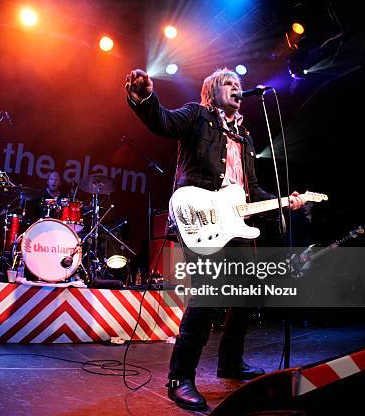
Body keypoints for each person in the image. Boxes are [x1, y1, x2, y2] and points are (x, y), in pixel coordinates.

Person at [125, 67, 304, 411]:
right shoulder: (197, 115)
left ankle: (230, 362)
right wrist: (144, 99)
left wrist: (286, 199)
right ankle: (180, 378)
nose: (237, 88)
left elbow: (252, 190)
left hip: (234, 223)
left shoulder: (246, 138)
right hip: (201, 218)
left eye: (239, 84)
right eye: (229, 84)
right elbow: (162, 121)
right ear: (212, 91)